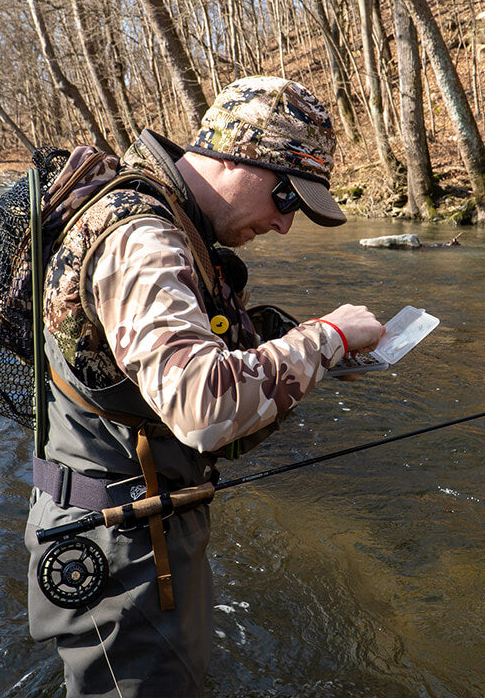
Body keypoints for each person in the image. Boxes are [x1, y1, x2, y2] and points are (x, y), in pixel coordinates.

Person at [25, 75, 384, 697]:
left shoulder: (169, 223)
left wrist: (308, 357)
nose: (285, 226)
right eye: (286, 200)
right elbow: (202, 405)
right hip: (119, 548)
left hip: (143, 523)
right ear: (239, 159)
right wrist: (330, 337)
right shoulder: (143, 239)